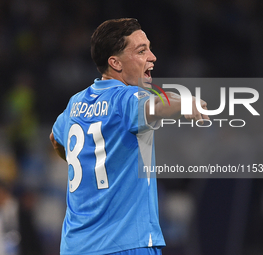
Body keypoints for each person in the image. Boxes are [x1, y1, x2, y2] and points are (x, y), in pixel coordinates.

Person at [50, 18, 209, 255]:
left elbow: (55, 138)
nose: (152, 57)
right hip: (126, 243)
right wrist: (183, 104)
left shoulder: (75, 104)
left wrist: (88, 162)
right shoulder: (126, 98)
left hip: (76, 246)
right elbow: (154, 106)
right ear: (115, 62)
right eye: (141, 50)